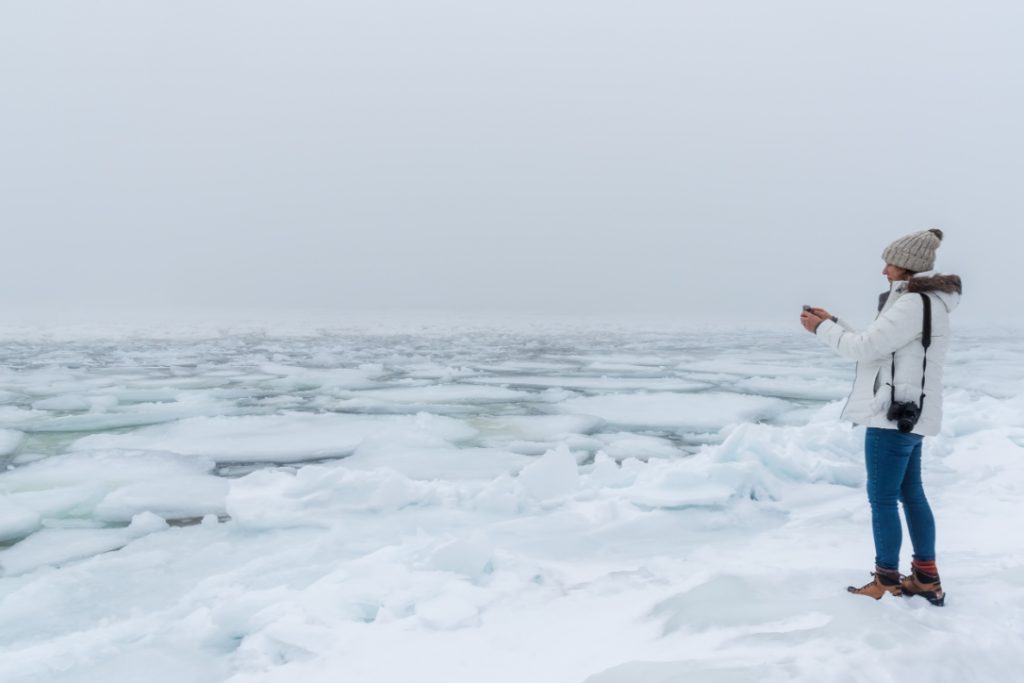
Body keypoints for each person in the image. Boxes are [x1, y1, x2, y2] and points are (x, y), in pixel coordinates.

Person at [799, 228, 962, 606]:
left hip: (892, 417)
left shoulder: (911, 304)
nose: (883, 270)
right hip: (910, 414)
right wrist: (835, 321)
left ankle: (887, 579)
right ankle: (924, 576)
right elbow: (879, 347)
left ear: (906, 266)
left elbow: (863, 349)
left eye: (888, 262)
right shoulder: (928, 302)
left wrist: (821, 328)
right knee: (910, 493)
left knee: (883, 498)